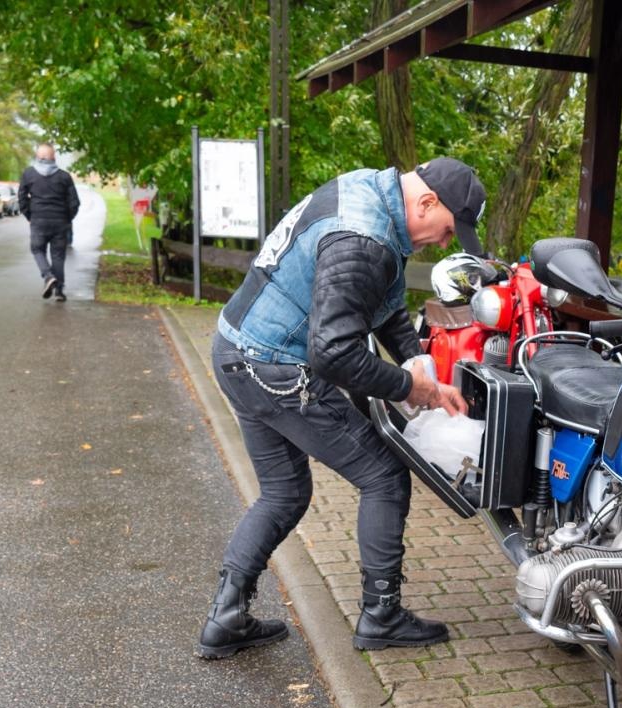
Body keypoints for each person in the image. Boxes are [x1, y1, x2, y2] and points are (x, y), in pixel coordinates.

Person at [198, 158, 485, 658]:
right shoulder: (363, 240)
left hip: (235, 350)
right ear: (425, 202)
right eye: (446, 231)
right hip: (274, 366)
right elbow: (334, 353)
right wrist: (411, 389)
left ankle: (226, 617)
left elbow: (380, 302)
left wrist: (418, 361)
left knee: (285, 492)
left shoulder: (368, 191)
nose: (445, 243)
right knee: (385, 477)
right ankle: (381, 615)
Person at [18, 143, 79, 301]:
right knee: (58, 255)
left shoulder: (29, 174)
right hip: (60, 222)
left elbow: (22, 198)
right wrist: (67, 218)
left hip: (38, 220)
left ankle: (47, 276)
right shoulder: (64, 176)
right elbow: (74, 202)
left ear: (37, 157)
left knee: (38, 250)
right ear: (54, 157)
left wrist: (29, 216)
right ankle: (59, 291)